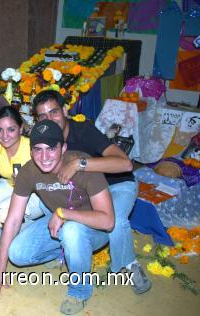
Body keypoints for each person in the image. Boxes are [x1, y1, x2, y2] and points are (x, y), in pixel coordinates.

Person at [0, 120, 114, 314]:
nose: (44, 157)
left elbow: (108, 221)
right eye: (38, 149)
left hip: (93, 229)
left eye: (51, 148)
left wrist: (64, 213)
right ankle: (65, 253)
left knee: (72, 230)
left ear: (63, 148)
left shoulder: (83, 165)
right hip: (58, 222)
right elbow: (13, 218)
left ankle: (79, 291)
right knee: (17, 254)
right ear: (31, 151)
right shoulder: (29, 171)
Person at [32, 90, 151, 294]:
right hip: (85, 193)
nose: (49, 119)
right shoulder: (45, 136)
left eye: (54, 112)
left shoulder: (84, 130)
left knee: (117, 219)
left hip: (117, 185)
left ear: (65, 110)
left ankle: (131, 265)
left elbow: (125, 164)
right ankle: (64, 247)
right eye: (42, 116)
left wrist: (80, 163)